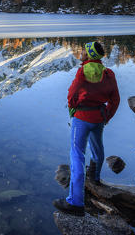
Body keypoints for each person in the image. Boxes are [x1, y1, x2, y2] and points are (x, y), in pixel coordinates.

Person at [53, 41, 120, 216]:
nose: (81, 52)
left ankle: (76, 203)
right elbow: (115, 99)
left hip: (81, 118)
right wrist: (107, 115)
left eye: (83, 50)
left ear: (89, 54)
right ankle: (95, 178)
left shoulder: (82, 72)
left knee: (77, 156)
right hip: (98, 117)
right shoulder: (108, 73)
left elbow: (72, 94)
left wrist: (73, 110)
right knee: (97, 147)